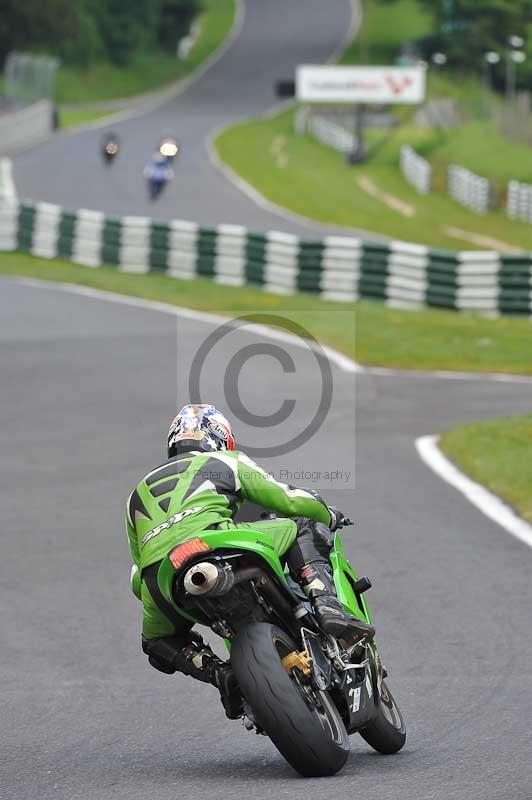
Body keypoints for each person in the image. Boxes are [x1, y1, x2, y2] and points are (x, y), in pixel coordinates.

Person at [126, 404, 375, 718]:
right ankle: (325, 602)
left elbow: (139, 567)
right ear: (221, 439)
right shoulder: (223, 461)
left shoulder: (136, 493)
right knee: (302, 524)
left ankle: (219, 673)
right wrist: (328, 514)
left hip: (162, 577)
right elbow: (286, 499)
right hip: (217, 543)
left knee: (157, 641)